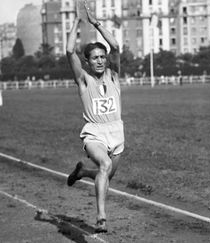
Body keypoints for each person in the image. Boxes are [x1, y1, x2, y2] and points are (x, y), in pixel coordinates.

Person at [65, 3, 123, 233]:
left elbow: (116, 47)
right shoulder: (83, 80)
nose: (99, 60)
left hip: (117, 132)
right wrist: (79, 21)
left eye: (102, 57)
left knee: (106, 174)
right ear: (87, 62)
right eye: (94, 58)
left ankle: (81, 173)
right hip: (94, 132)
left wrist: (96, 22)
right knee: (105, 165)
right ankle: (101, 217)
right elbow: (70, 52)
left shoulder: (114, 75)